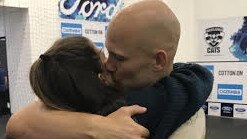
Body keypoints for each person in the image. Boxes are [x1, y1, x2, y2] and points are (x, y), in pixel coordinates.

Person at [6, 0, 213, 139]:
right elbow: (200, 75)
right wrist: (97, 127)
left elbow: (18, 122)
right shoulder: (184, 87)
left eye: (119, 58)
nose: (107, 64)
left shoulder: (136, 104)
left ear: (159, 60)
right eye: (108, 53)